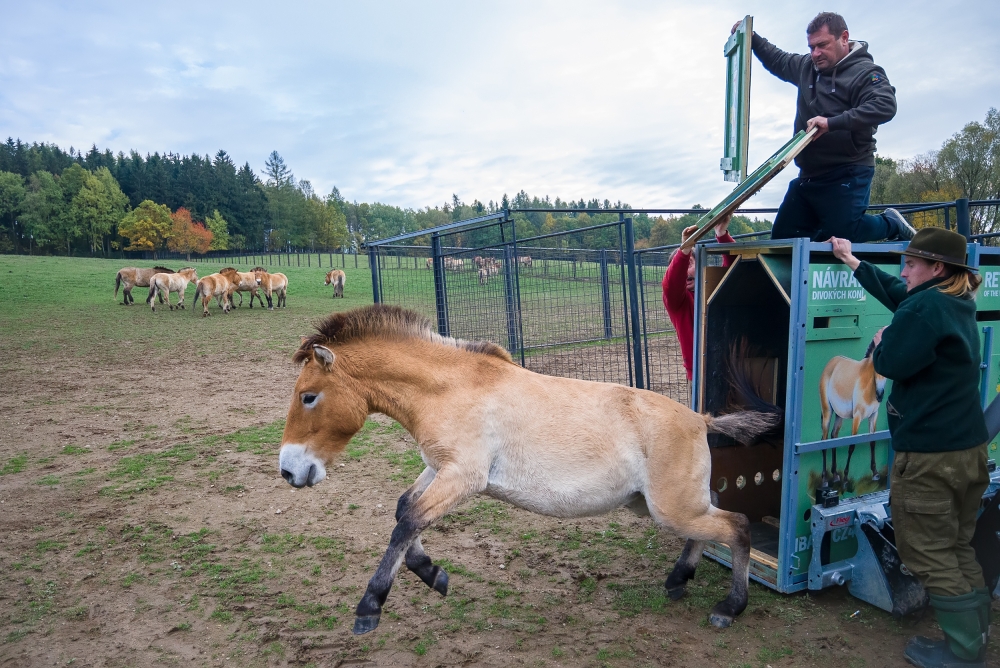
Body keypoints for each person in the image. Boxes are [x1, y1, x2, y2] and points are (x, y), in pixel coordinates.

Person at [830, 229, 990, 667]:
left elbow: (892, 362)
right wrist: (853, 261)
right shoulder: (954, 302)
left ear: (937, 268)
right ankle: (975, 635)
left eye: (912, 263)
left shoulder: (925, 308)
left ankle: (962, 651)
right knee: (956, 545)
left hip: (931, 458)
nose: (904, 270)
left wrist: (882, 344)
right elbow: (901, 292)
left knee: (926, 551)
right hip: (968, 449)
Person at [735, 12, 915, 243]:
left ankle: (891, 224)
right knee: (783, 239)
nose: (815, 53)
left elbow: (885, 105)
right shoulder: (806, 67)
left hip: (847, 170)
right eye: (811, 47)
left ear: (844, 38)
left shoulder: (866, 73)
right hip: (809, 174)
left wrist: (831, 123)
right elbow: (778, 59)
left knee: (845, 234)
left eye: (822, 45)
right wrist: (752, 37)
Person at [662, 215, 735, 381]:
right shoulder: (677, 302)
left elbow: (734, 266)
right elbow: (672, 282)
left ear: (701, 266)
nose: (685, 272)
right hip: (700, 374)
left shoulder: (714, 290)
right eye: (682, 267)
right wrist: (685, 249)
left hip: (733, 367)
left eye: (690, 265)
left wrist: (721, 234)